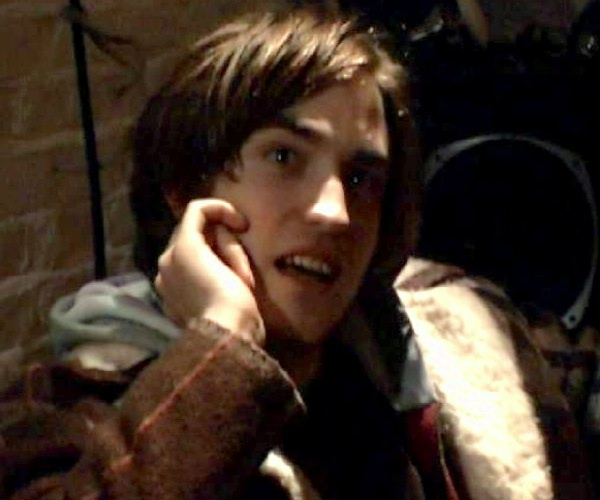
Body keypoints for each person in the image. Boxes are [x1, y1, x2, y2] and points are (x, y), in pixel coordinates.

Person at [0, 7, 595, 499]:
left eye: (361, 178)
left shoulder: (467, 351)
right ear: (184, 187)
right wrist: (224, 344)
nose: (336, 213)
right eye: (284, 157)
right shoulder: (57, 415)